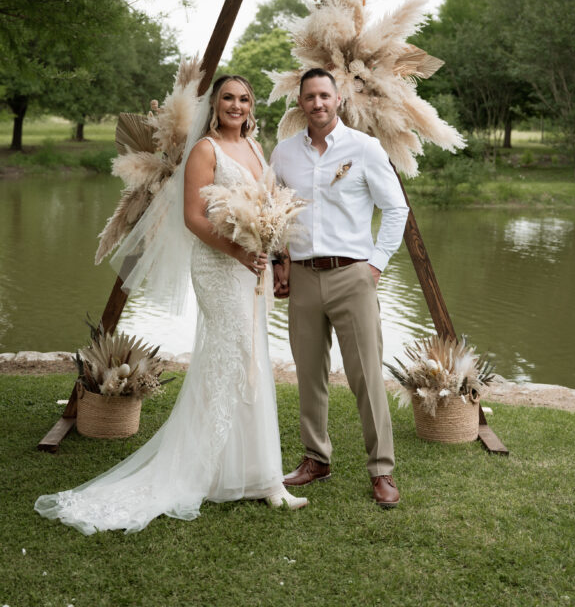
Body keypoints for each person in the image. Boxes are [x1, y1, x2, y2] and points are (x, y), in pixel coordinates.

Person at [34, 75, 306, 534]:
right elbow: (194, 218)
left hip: (250, 271)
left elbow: (266, 206)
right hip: (219, 268)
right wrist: (240, 251)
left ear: (250, 106)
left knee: (253, 359)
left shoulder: (257, 149)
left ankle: (258, 476)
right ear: (215, 105)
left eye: (243, 99)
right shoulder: (206, 150)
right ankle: (205, 472)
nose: (236, 106)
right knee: (231, 358)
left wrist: (270, 248)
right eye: (227, 99)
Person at [270, 68, 409, 508]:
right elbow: (274, 213)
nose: (318, 103)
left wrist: (376, 266)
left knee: (366, 374)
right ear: (300, 103)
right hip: (304, 277)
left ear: (338, 99)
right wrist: (280, 260)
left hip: (354, 276)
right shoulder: (284, 154)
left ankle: (382, 470)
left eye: (325, 95)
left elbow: (396, 208)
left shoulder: (365, 148)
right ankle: (316, 458)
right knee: (309, 374)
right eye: (309, 97)